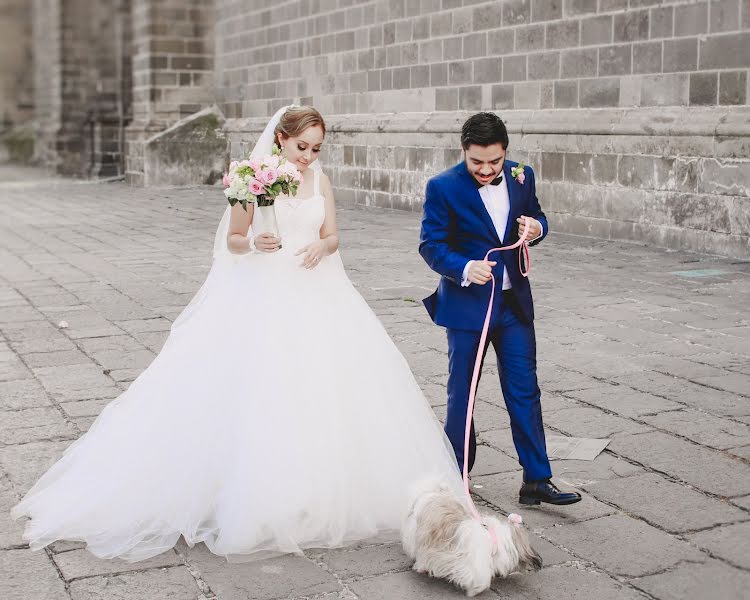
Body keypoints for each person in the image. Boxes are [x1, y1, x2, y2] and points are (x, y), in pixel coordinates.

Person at [11, 105, 462, 562]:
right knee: (260, 388)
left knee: (326, 387)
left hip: (317, 289)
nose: (308, 156)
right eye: (301, 146)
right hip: (264, 289)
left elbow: (332, 235)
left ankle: (317, 488)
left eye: (316, 148)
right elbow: (233, 239)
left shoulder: (320, 180)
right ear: (281, 139)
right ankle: (255, 492)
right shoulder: (251, 178)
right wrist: (254, 243)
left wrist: (321, 247)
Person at [419, 112, 581, 506]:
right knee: (464, 395)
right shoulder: (442, 187)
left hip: (513, 307)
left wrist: (537, 229)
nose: (487, 169)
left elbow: (537, 216)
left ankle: (537, 480)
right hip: (467, 308)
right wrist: (463, 268)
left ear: (505, 152)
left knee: (526, 390)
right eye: (477, 162)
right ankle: (456, 474)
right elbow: (430, 244)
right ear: (464, 152)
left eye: (495, 161)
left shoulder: (523, 175)